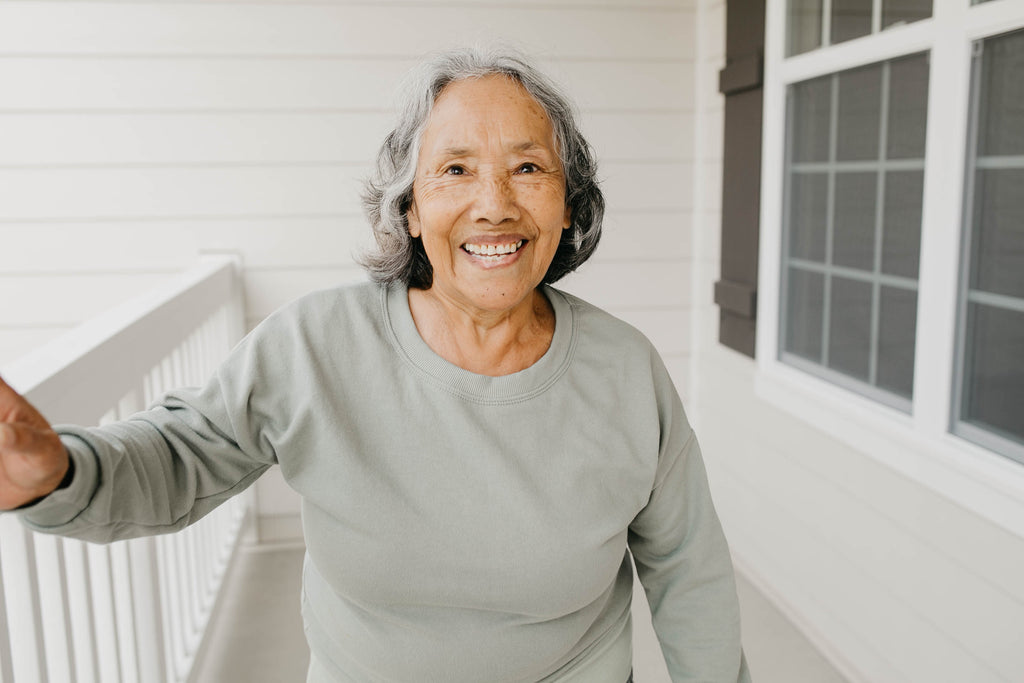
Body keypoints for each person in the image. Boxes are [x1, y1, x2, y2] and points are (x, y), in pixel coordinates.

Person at [0, 46, 751, 682]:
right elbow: (179, 457)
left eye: (528, 167)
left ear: (566, 202)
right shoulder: (315, 345)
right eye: (455, 169)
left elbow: (690, 570)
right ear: (412, 209)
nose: (494, 204)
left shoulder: (625, 371)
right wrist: (61, 471)